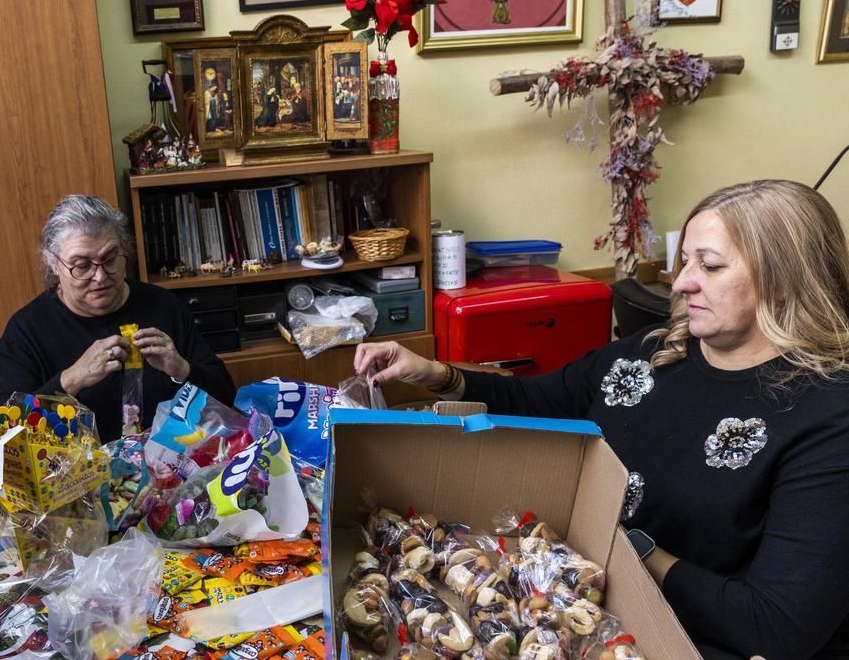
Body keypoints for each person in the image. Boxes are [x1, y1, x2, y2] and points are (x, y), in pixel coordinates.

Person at [355, 180, 849, 658]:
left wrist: (630, 549)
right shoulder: (654, 351)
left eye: (711, 265)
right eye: (684, 261)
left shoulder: (828, 416)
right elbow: (537, 401)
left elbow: (777, 625)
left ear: (784, 282)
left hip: (686, 635)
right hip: (584, 602)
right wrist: (436, 374)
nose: (680, 283)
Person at [0, 195, 235, 442]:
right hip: (74, 475)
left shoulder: (163, 305)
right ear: (54, 264)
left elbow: (226, 396)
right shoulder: (25, 331)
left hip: (167, 464)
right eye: (82, 265)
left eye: (109, 259)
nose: (100, 276)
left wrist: (181, 369)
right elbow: (7, 432)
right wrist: (70, 380)